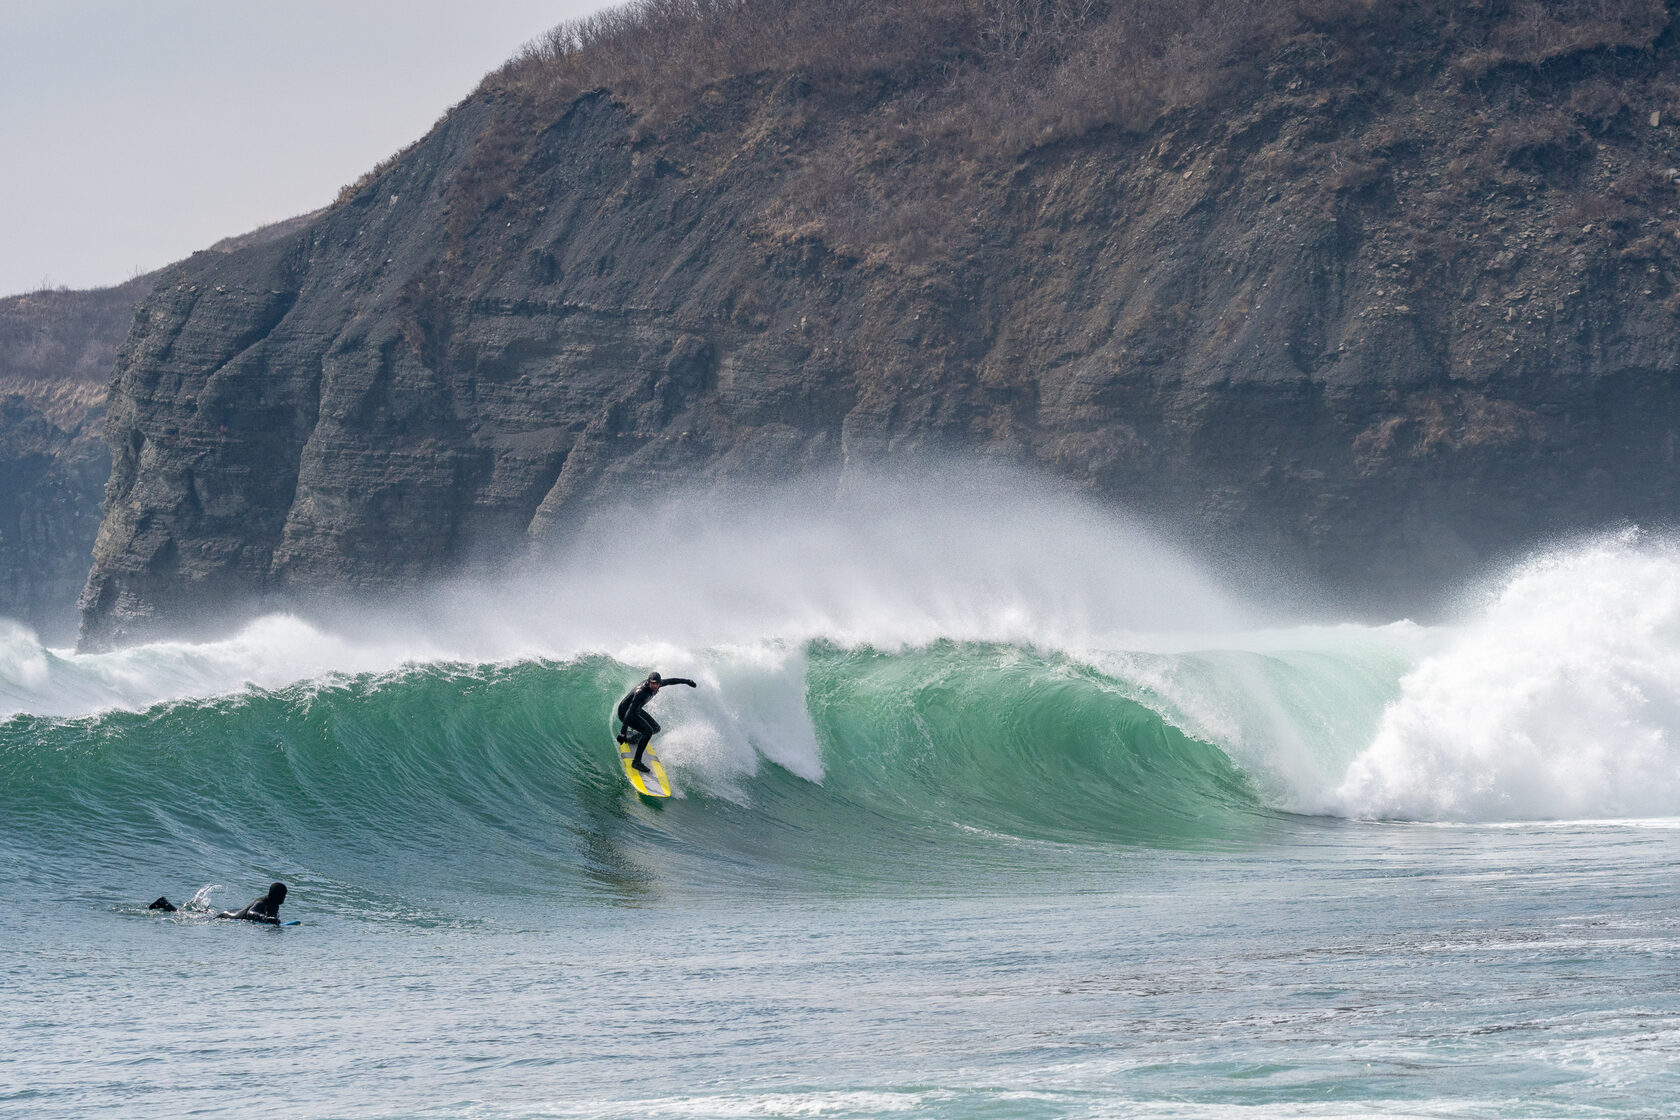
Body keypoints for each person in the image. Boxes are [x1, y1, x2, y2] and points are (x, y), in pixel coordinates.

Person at [615, 671, 697, 772]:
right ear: (649, 682)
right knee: (648, 731)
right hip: (625, 712)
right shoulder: (641, 692)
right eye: (652, 683)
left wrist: (687, 681)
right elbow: (629, 711)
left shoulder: (658, 684)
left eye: (657, 683)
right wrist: (623, 732)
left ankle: (633, 738)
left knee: (656, 728)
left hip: (636, 710)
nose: (654, 686)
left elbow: (671, 681)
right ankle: (636, 762)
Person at [216, 882, 288, 924]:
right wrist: (266, 918)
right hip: (227, 916)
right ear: (278, 895)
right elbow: (250, 913)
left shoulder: (275, 904)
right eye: (283, 895)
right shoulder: (262, 902)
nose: (285, 897)